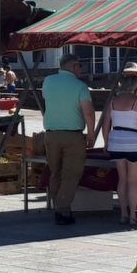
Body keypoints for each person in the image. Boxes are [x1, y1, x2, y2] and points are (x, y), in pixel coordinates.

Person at [38, 54, 96, 227]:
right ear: (74, 66)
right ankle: (62, 210)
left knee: (55, 172)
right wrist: (91, 134)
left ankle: (61, 208)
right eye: (80, 67)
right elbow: (89, 112)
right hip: (73, 135)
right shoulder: (80, 86)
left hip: (51, 134)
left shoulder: (48, 81)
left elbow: (47, 100)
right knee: (71, 174)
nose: (81, 70)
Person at [97, 62, 137, 226]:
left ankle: (123, 214)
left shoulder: (113, 101)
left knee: (122, 179)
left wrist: (106, 143)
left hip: (116, 142)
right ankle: (133, 215)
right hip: (135, 143)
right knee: (133, 181)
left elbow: (106, 124)